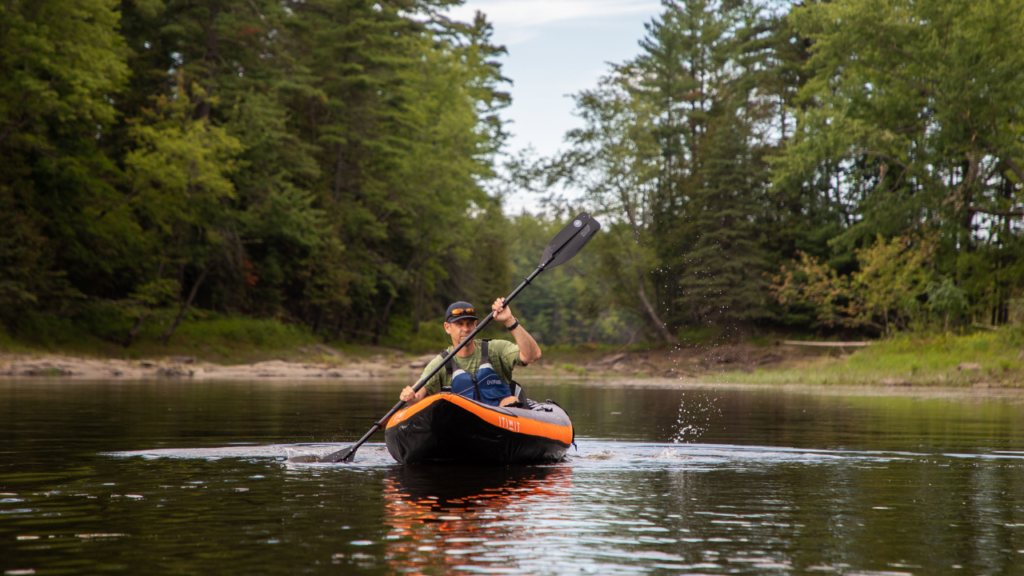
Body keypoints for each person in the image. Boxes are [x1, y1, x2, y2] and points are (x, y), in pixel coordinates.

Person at [399, 298, 542, 407]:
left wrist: (509, 321)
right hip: (464, 425)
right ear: (447, 327)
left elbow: (532, 355)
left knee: (511, 400)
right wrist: (410, 396)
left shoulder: (496, 349)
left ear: (476, 325)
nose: (465, 329)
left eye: (470, 324)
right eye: (459, 324)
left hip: (501, 425)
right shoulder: (441, 363)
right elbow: (419, 394)